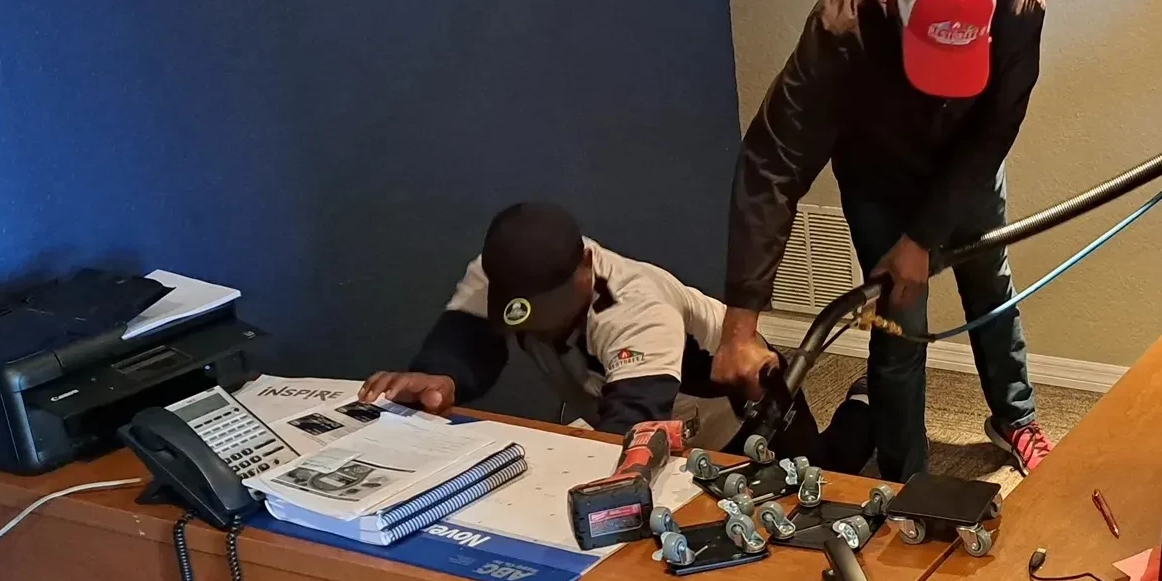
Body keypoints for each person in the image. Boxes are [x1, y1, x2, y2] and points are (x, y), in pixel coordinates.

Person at [713, 0, 1055, 482]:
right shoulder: (840, 31)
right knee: (900, 322)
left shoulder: (1018, 7)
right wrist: (740, 327)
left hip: (967, 166)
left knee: (991, 285)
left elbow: (993, 133)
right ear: (899, 15)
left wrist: (921, 238)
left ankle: (1016, 419)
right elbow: (772, 164)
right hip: (878, 175)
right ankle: (904, 477)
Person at [362, 200, 861, 464]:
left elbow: (627, 433)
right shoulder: (504, 274)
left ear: (585, 268)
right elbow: (469, 337)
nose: (533, 328)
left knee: (824, 481)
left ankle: (865, 403)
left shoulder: (635, 309)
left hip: (744, 413)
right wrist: (440, 377)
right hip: (651, 416)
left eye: (547, 316)